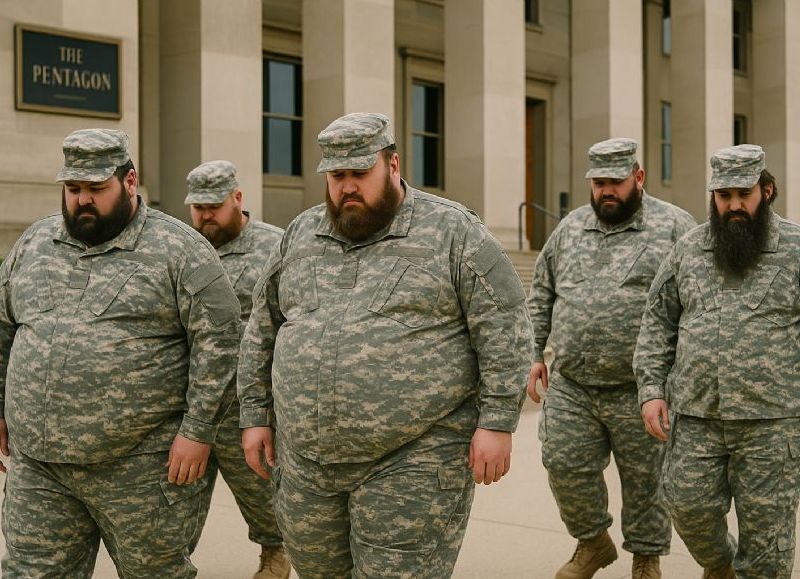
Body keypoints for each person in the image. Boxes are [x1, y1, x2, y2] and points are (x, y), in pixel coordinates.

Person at [237, 112, 533, 577]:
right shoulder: (300, 234)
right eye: (337, 176)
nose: (347, 187)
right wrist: (254, 415)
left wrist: (497, 421)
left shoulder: (452, 232)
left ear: (392, 164)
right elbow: (262, 329)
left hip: (413, 457)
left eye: (360, 174)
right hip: (306, 464)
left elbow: (506, 326)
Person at [0, 129, 241, 578]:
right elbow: (2, 326)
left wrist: (199, 430)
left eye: (96, 188)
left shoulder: (180, 251)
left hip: (141, 470)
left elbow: (221, 341)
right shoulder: (34, 245)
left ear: (129, 182)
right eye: (74, 189)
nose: (83, 201)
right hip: (40, 467)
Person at [527, 138, 695, 579]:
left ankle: (647, 558)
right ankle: (592, 542)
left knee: (646, 482)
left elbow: (695, 303)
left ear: (638, 177)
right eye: (599, 183)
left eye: (615, 183)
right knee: (563, 463)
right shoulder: (570, 227)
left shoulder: (675, 228)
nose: (607, 192)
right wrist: (532, 353)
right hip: (573, 383)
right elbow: (542, 290)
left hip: (642, 389)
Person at [634, 144, 800, 579]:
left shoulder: (796, 251)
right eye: (723, 196)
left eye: (743, 194)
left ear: (767, 190)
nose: (733, 206)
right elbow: (657, 323)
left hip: (772, 423)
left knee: (767, 543)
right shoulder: (688, 251)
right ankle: (721, 564)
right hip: (695, 417)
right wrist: (651, 391)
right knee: (687, 508)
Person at [184, 160, 289, 579]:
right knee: (177, 496)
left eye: (215, 205)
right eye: (198, 207)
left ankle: (275, 554)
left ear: (238, 199)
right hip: (190, 403)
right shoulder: (184, 248)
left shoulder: (275, 246)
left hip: (249, 406)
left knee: (263, 493)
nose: (206, 215)